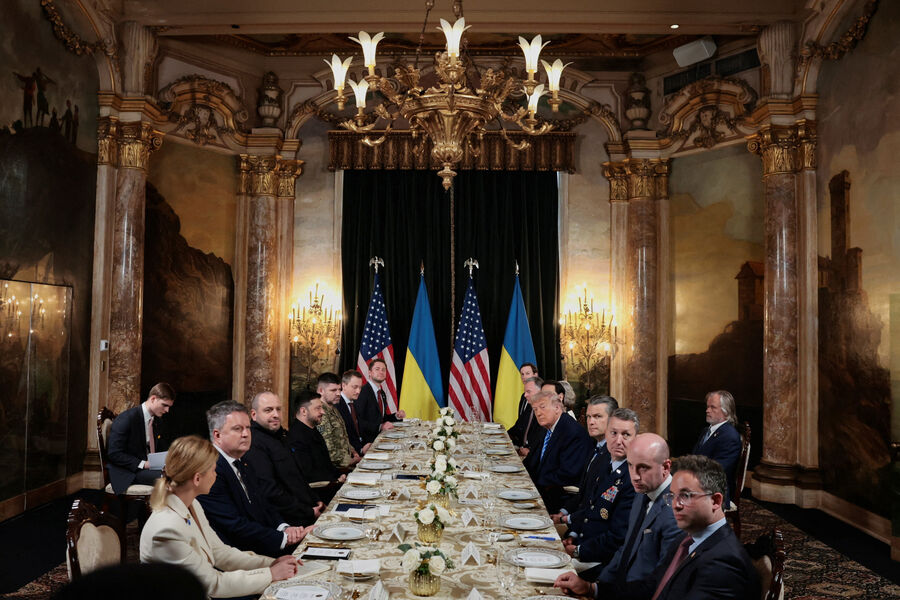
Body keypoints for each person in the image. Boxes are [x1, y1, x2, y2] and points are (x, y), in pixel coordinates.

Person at [557, 454, 760, 600]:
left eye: (686, 496)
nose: (675, 504)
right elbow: (651, 587)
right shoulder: (686, 540)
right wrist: (591, 589)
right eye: (673, 496)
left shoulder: (724, 562)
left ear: (715, 501)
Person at [139, 435, 300, 599]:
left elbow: (221, 553)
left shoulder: (193, 504)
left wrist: (271, 563)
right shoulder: (168, 529)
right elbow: (212, 584)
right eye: (213, 470)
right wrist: (270, 574)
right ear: (197, 479)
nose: (216, 475)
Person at [555, 433, 682, 595]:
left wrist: (596, 591)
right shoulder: (642, 493)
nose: (635, 476)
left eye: (643, 467)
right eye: (630, 465)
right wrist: (594, 587)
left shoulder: (675, 512)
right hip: (615, 586)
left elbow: (659, 583)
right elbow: (626, 549)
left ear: (666, 467)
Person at [197, 401, 311, 557]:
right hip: (238, 555)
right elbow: (233, 525)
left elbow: (263, 504)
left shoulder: (243, 460)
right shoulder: (210, 469)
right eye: (237, 429)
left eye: (248, 428)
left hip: (261, 542)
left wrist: (284, 528)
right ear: (217, 435)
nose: (246, 434)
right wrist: (285, 539)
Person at [560, 407, 637, 566]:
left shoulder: (633, 478)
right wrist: (574, 535)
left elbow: (618, 537)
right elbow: (589, 507)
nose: (618, 441)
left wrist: (578, 551)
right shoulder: (602, 462)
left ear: (636, 439)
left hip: (601, 561)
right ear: (606, 434)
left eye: (626, 435)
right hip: (582, 543)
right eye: (613, 433)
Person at [243, 392, 325, 525]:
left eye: (278, 409)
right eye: (268, 410)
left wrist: (315, 499)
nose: (276, 414)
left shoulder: (282, 436)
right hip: (291, 521)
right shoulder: (254, 443)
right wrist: (308, 511)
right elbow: (271, 491)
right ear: (254, 414)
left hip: (308, 508)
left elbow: (298, 477)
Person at [524, 388, 593, 513]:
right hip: (541, 489)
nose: (538, 413)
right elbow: (532, 461)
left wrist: (530, 485)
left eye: (542, 407)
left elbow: (567, 474)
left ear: (557, 407)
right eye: (535, 409)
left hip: (558, 499)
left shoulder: (572, 432)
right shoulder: (547, 428)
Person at [551, 395, 618, 524]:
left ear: (613, 419)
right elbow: (583, 493)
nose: (591, 422)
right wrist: (563, 512)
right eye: (588, 417)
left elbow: (598, 505)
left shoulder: (613, 455)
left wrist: (565, 520)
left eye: (597, 416)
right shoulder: (595, 448)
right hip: (577, 520)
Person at [107, 383, 175, 494]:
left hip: (148, 467)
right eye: (164, 405)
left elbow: (160, 447)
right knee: (170, 478)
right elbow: (114, 453)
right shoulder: (126, 418)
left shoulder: (157, 420)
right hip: (128, 471)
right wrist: (144, 464)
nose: (167, 410)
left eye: (169, 407)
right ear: (153, 399)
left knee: (179, 473)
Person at [288, 395, 346, 503]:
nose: (322, 412)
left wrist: (340, 475)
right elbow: (308, 474)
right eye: (318, 408)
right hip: (319, 495)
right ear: (304, 411)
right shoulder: (296, 437)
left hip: (331, 486)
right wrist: (336, 481)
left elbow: (326, 463)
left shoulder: (312, 429)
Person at [691, 390, 743, 506]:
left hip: (714, 492)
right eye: (707, 406)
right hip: (699, 483)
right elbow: (694, 457)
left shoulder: (729, 436)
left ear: (726, 411)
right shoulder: (707, 430)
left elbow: (717, 471)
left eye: (713, 407)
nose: (707, 410)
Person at [315, 372, 361, 468]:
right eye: (333, 390)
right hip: (336, 469)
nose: (338, 393)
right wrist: (351, 461)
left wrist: (353, 451)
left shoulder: (333, 408)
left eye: (339, 389)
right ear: (321, 391)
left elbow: (342, 437)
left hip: (347, 462)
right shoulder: (320, 413)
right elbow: (329, 450)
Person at [336, 370, 379, 454]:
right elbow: (340, 438)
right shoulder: (337, 405)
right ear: (343, 386)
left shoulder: (353, 403)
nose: (358, 391)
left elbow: (360, 427)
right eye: (355, 387)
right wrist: (360, 450)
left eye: (360, 387)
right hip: (350, 455)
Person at [358, 357, 406, 428]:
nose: (381, 372)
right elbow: (358, 421)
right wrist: (380, 427)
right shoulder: (362, 392)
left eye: (383, 370)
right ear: (370, 372)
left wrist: (397, 416)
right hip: (368, 435)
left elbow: (382, 419)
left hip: (382, 434)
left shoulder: (381, 393)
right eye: (377, 369)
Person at [510, 376, 548, 457]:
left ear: (540, 392)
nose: (525, 395)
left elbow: (542, 442)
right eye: (525, 392)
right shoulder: (529, 408)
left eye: (528, 392)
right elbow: (517, 428)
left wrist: (529, 451)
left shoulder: (546, 413)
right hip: (521, 450)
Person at [507, 363, 538, 447]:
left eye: (527, 373)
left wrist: (529, 449)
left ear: (535, 375)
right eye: (522, 374)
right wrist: (505, 434)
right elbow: (520, 422)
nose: (524, 377)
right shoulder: (523, 397)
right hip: (520, 443)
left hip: (530, 447)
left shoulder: (538, 397)